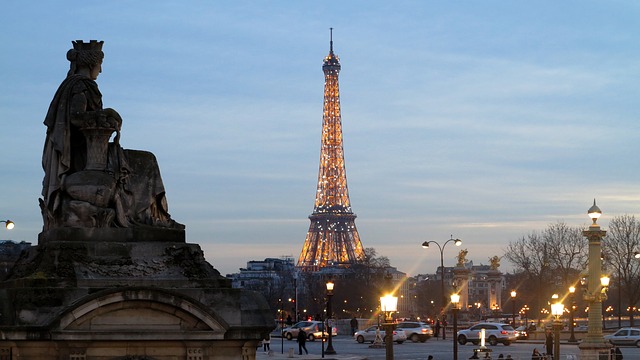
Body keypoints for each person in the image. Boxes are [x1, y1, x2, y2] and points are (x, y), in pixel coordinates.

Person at [41, 40, 182, 231]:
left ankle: (153, 216)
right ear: (92, 64)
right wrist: (105, 113)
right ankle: (151, 217)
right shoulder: (81, 86)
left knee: (145, 160)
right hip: (85, 154)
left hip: (88, 151)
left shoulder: (73, 85)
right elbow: (76, 117)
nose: (100, 71)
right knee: (148, 161)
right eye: (99, 66)